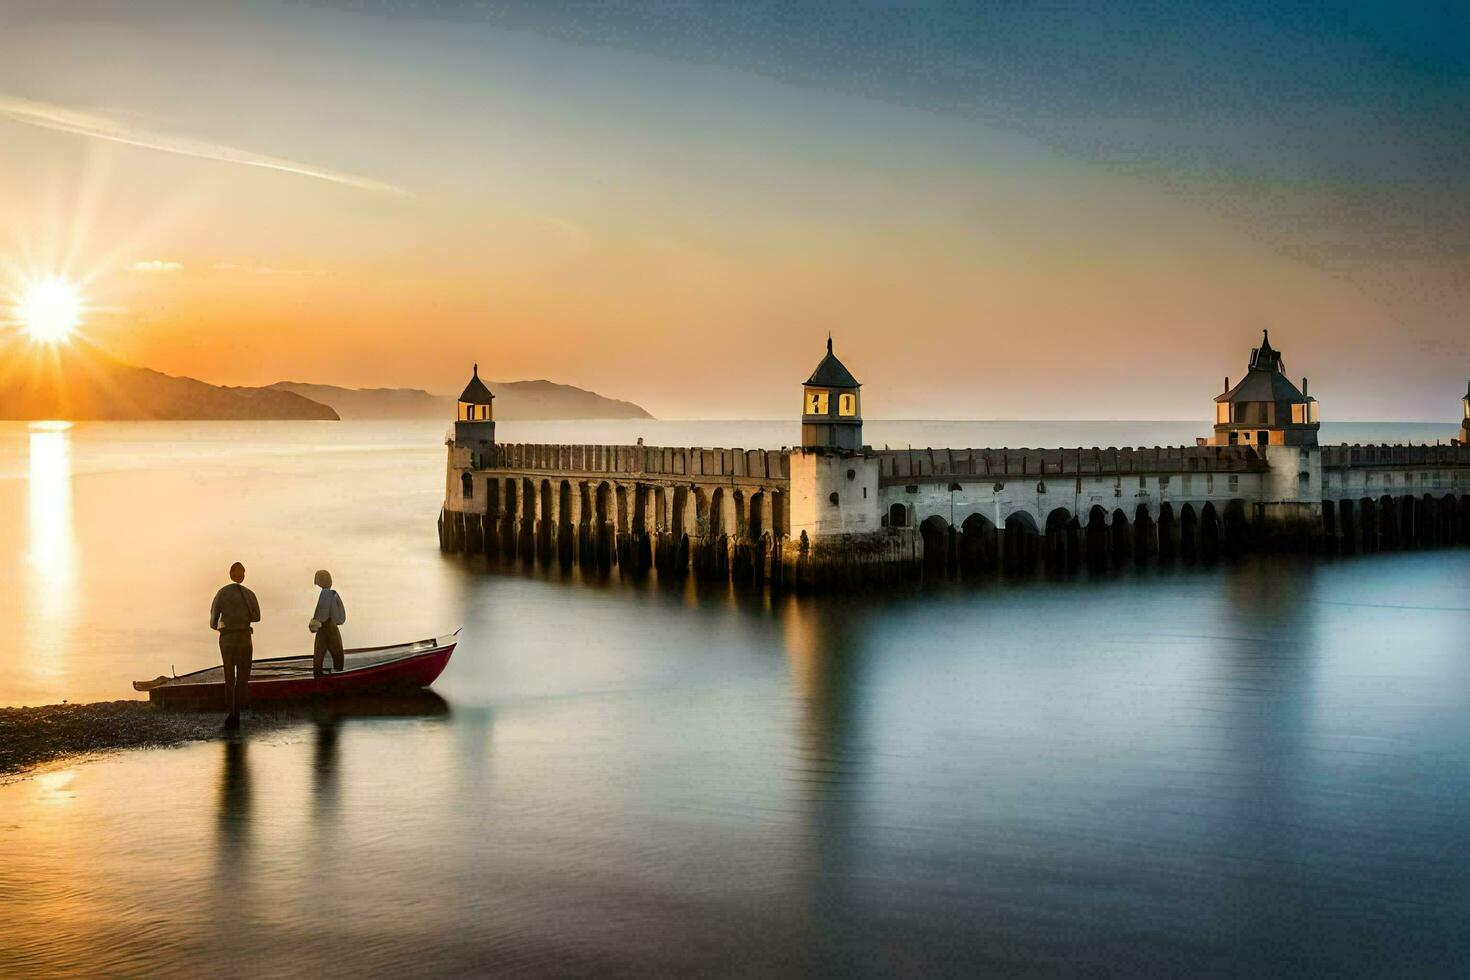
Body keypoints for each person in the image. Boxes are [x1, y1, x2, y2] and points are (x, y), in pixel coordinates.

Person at [210, 562, 261, 729]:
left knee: (229, 676)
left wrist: (225, 622)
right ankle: (238, 712)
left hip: (227, 639)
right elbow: (257, 617)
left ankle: (231, 713)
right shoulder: (250, 594)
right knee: (243, 678)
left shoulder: (221, 593)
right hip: (245, 638)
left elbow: (213, 622)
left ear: (230, 573)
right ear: (243, 574)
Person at [310, 569, 347, 678]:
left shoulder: (325, 593)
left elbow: (322, 613)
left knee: (319, 656)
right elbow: (341, 617)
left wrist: (315, 623)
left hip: (326, 627)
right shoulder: (334, 594)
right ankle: (338, 675)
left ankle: (320, 678)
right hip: (333, 628)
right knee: (337, 654)